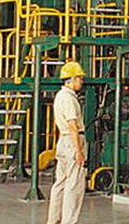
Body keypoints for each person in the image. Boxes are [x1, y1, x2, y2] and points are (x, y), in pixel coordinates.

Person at [47, 61, 87, 224]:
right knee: (74, 186)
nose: (81, 81)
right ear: (72, 79)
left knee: (60, 184)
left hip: (63, 141)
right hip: (72, 141)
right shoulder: (69, 99)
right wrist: (79, 151)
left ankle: (53, 220)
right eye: (80, 78)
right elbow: (72, 125)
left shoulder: (60, 96)